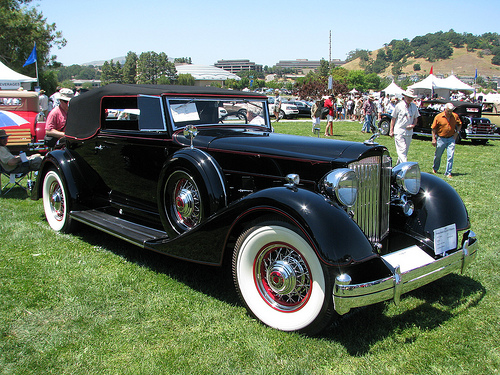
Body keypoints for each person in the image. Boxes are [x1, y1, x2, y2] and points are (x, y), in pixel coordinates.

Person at [431, 103, 462, 178]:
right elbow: (433, 128)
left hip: (451, 138)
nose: (449, 113)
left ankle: (448, 172)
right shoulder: (439, 117)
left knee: (450, 155)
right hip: (441, 138)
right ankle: (435, 168)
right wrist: (433, 139)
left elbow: (460, 124)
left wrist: (456, 133)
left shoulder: (455, 116)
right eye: (448, 111)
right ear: (445, 109)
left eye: (451, 111)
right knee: (438, 155)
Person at [389, 89, 420, 165]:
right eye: (408, 97)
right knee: (402, 150)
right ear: (405, 96)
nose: (410, 99)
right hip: (399, 131)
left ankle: (398, 167)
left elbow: (416, 118)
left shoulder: (414, 106)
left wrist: (413, 125)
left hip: (409, 132)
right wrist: (391, 130)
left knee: (404, 151)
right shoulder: (399, 106)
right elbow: (393, 118)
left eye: (411, 97)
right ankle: (406, 167)